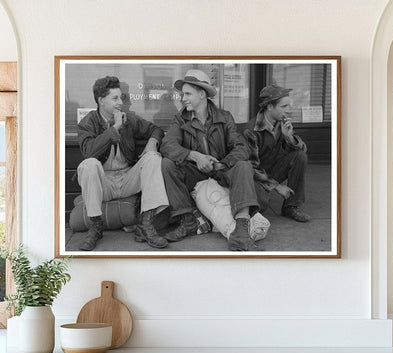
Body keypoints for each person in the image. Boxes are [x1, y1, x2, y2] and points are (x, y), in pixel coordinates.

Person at [160, 69, 261, 251]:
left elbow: (241, 148)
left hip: (222, 170)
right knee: (167, 164)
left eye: (188, 93)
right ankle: (187, 221)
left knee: (243, 165)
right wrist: (194, 156)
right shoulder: (179, 119)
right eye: (183, 94)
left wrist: (221, 163)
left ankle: (241, 231)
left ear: (202, 93)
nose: (183, 98)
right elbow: (167, 145)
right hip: (195, 173)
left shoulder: (225, 117)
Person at [76, 76, 169, 251]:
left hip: (127, 179)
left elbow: (155, 130)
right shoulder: (87, 123)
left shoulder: (129, 119)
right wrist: (115, 128)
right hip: (103, 184)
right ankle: (96, 227)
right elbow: (89, 152)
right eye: (115, 98)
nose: (120, 102)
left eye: (121, 97)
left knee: (153, 158)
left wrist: (152, 143)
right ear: (101, 100)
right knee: (89, 165)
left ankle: (146, 224)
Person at [243, 84, 310, 222]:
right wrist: (277, 186)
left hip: (271, 170)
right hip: (253, 177)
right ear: (269, 106)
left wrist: (289, 137)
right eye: (284, 106)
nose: (288, 110)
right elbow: (251, 167)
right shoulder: (251, 130)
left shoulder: (282, 123)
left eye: (288, 106)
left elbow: (303, 150)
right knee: (261, 204)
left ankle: (290, 206)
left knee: (300, 156)